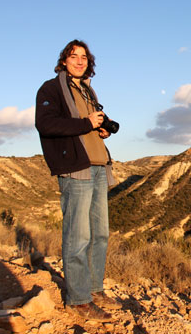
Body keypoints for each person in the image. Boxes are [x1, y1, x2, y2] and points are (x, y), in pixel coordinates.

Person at [35, 39, 121, 321]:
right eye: (74, 56)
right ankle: (78, 300)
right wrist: (87, 124)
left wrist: (101, 130)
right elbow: (46, 124)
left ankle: (94, 289)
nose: (80, 61)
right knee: (78, 235)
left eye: (84, 57)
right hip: (75, 168)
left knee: (100, 234)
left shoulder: (87, 90)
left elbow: (88, 125)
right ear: (64, 61)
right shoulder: (51, 89)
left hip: (98, 166)